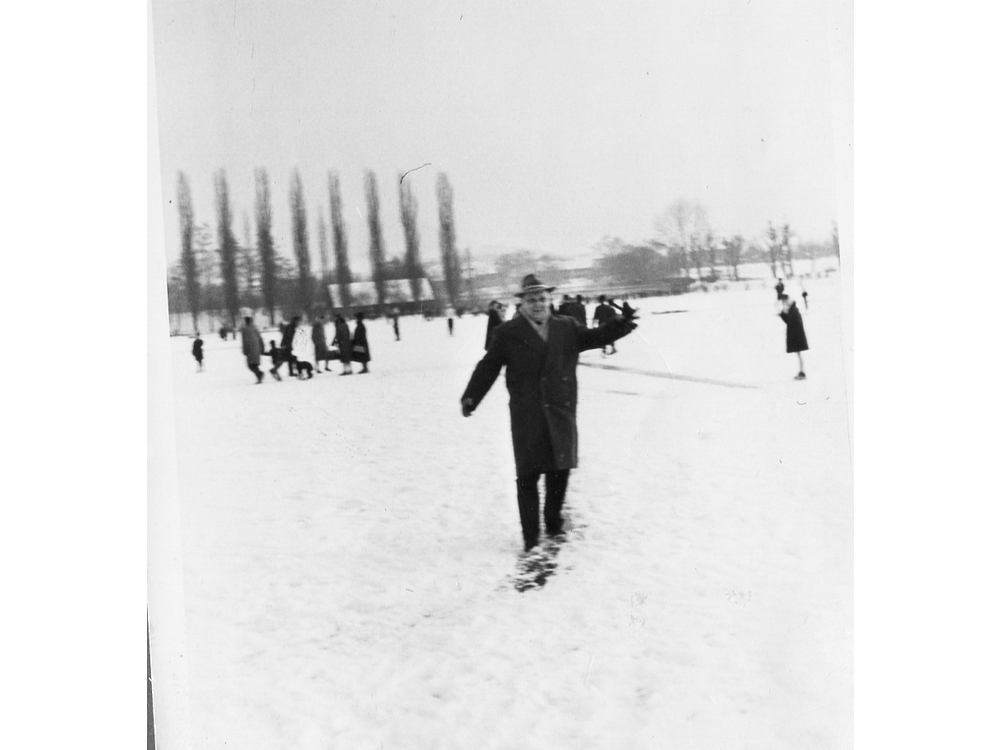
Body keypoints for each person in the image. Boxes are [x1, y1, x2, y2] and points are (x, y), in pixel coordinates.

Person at [460, 274, 638, 552]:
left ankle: (553, 521)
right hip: (527, 414)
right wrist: (471, 396)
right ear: (522, 303)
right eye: (532, 300)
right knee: (528, 476)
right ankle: (531, 536)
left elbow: (596, 336)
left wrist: (620, 324)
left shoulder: (566, 326)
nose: (538, 304)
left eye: (543, 298)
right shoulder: (507, 333)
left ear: (549, 300)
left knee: (560, 469)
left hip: (561, 408)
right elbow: (488, 366)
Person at [778, 294, 808, 380]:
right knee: (798, 355)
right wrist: (783, 313)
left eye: (785, 302)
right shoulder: (792, 310)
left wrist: (784, 313)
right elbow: (788, 321)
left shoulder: (794, 310)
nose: (785, 303)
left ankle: (802, 372)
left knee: (799, 355)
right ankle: (801, 371)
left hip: (797, 337)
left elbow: (792, 322)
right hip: (797, 337)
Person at [240, 316, 266, 384]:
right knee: (254, 364)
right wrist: (262, 347)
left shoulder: (245, 329)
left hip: (250, 349)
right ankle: (259, 377)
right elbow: (260, 338)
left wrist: (245, 350)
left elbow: (245, 340)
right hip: (257, 348)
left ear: (245, 321)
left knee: (251, 365)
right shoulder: (255, 328)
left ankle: (260, 374)